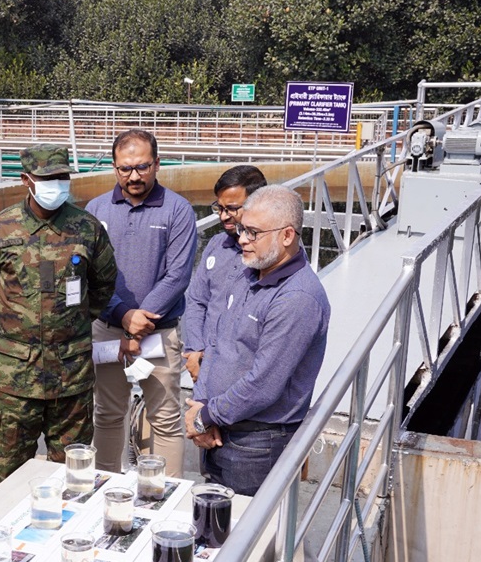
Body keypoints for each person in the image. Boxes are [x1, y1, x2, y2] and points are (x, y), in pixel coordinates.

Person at [0, 144, 117, 481]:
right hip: (16, 378)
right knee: (11, 473)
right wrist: (16, 322)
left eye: (62, 177)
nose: (56, 184)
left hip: (71, 377)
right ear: (26, 179)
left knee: (72, 474)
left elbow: (104, 284)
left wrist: (72, 322)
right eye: (47, 178)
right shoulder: (0, 229)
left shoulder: (87, 228)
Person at [187, 185, 331, 495]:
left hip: (256, 444)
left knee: (249, 523)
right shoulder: (248, 272)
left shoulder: (297, 298)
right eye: (242, 229)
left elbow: (263, 384)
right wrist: (202, 403)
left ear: (287, 235)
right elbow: (216, 343)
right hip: (219, 428)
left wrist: (206, 416)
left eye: (253, 232)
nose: (241, 239)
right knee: (217, 519)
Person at [85, 129, 198, 476]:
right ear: (115, 168)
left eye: (142, 167)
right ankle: (105, 483)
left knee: (165, 417)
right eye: (125, 168)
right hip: (108, 330)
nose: (133, 176)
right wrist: (122, 314)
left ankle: (165, 494)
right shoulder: (96, 209)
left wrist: (137, 325)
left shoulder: (178, 210)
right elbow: (92, 273)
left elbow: (177, 276)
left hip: (158, 333)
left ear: (157, 164)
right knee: (107, 413)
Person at [182, 165, 268, 381]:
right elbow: (197, 301)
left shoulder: (272, 256)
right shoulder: (216, 244)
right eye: (219, 208)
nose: (223, 216)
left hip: (244, 375)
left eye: (231, 209)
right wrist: (195, 349)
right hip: (203, 365)